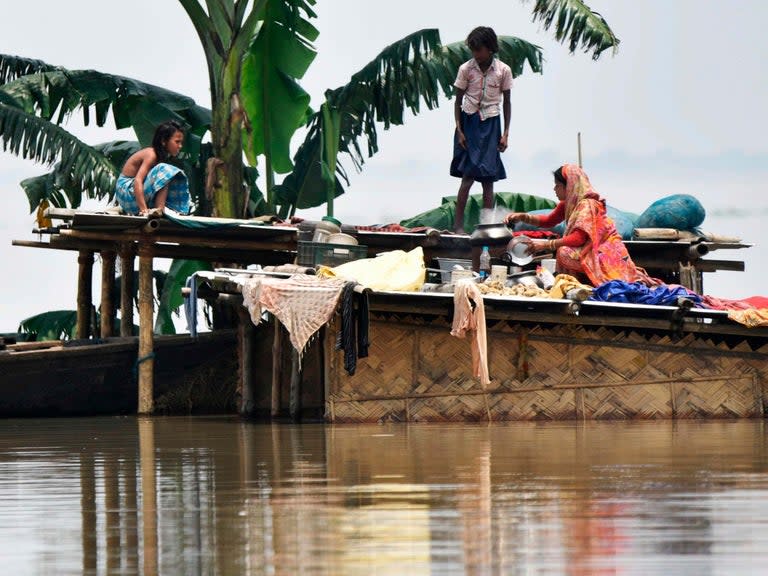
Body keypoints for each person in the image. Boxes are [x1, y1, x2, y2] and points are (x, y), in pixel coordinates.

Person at [504, 164, 654, 286]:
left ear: (569, 185)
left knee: (564, 252)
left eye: (557, 186)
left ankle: (590, 282)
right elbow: (549, 221)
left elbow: (578, 239)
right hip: (590, 250)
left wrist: (545, 245)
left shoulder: (587, 205)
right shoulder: (570, 203)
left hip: (604, 253)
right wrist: (522, 217)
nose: (554, 189)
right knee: (563, 251)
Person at [450, 26, 512, 234]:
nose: (476, 55)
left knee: (488, 179)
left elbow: (507, 103)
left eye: (479, 50)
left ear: (490, 48)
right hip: (469, 123)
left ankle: (485, 228)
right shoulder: (466, 69)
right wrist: (460, 130)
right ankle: (458, 227)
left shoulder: (503, 70)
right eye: (473, 50)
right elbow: (458, 101)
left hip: (491, 123)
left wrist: (505, 134)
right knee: (467, 177)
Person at [115, 120, 191, 216]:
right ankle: (156, 209)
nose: (180, 146)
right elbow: (138, 181)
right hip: (125, 193)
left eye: (181, 142)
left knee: (168, 176)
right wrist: (144, 211)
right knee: (166, 171)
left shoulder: (161, 158)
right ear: (164, 141)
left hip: (132, 197)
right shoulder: (152, 154)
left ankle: (159, 210)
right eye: (177, 142)